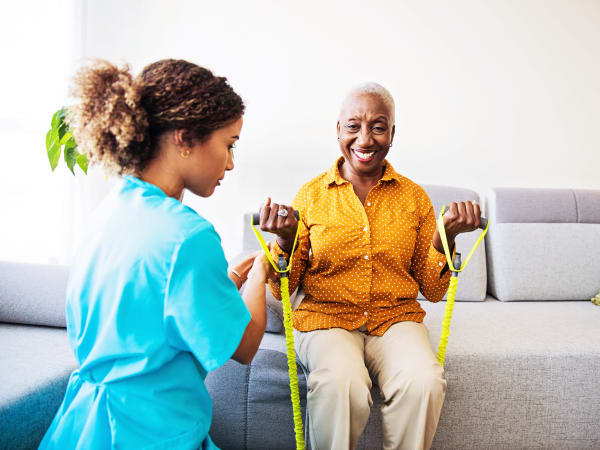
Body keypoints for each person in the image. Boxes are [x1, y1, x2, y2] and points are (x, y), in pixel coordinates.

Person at [39, 59, 269, 449]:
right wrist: (263, 273)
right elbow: (245, 345)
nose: (230, 163)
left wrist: (226, 280)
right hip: (153, 433)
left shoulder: (108, 213)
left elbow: (152, 314)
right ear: (184, 138)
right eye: (229, 145)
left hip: (82, 428)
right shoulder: (189, 237)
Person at [259, 82, 482, 450]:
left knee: (423, 380)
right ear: (338, 131)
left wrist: (448, 237)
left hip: (393, 318)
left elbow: (434, 289)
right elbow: (285, 285)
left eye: (378, 127)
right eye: (353, 126)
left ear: (392, 134)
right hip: (325, 317)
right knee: (340, 384)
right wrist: (285, 241)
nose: (365, 139)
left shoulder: (414, 197)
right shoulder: (311, 195)